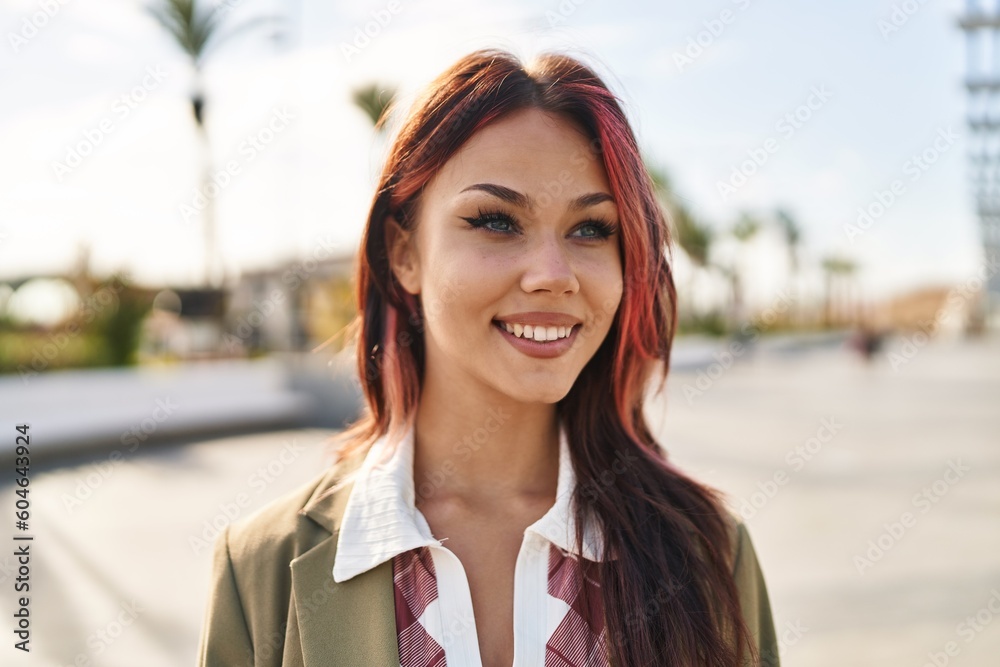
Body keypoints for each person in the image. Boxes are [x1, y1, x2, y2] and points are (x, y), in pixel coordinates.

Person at [197, 47, 780, 667]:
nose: (553, 276)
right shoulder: (260, 570)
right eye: (497, 221)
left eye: (591, 229)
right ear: (404, 254)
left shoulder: (709, 551)